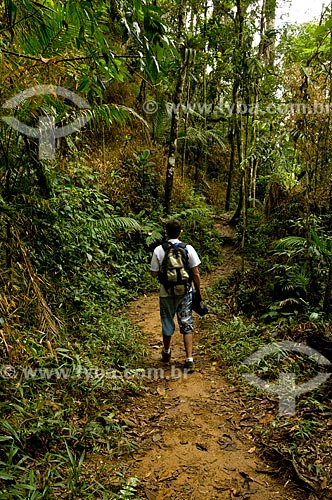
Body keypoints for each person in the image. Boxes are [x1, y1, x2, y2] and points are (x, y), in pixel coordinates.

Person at [150, 219, 201, 372]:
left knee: (167, 321)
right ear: (181, 232)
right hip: (185, 292)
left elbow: (153, 273)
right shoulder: (188, 249)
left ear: (166, 232)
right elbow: (196, 274)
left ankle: (166, 352)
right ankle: (189, 359)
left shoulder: (159, 250)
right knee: (186, 322)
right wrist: (198, 291)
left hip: (166, 292)